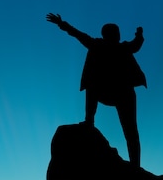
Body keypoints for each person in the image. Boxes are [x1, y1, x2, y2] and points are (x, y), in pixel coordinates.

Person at [46, 13, 147, 167]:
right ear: (107, 34)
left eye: (117, 32)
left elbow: (136, 45)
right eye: (114, 32)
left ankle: (136, 165)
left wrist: (139, 35)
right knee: (91, 85)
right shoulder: (97, 45)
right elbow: (77, 34)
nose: (117, 35)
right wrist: (62, 23)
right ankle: (89, 120)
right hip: (106, 90)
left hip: (123, 92)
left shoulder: (123, 47)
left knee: (131, 131)